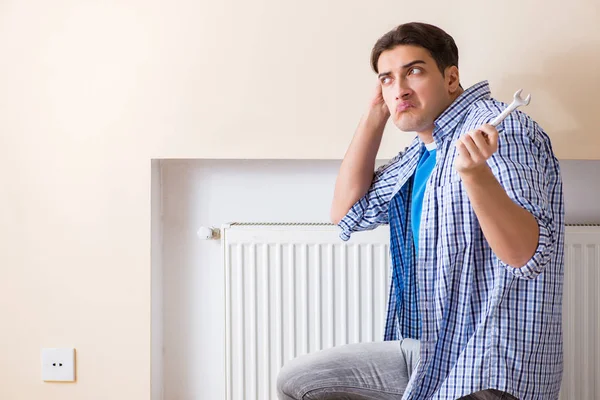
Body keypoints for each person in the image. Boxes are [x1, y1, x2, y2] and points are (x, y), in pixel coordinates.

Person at [277, 22, 564, 400]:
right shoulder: (420, 153)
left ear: (451, 78)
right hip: (429, 351)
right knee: (298, 382)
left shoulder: (500, 131)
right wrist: (375, 115)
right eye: (387, 79)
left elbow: (526, 253)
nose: (400, 88)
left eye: (413, 71)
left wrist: (474, 174)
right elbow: (347, 211)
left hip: (489, 363)